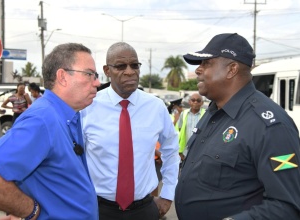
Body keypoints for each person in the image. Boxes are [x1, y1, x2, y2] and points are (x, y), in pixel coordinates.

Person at [175, 33, 300, 220]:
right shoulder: (212, 112)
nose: (198, 70)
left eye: (206, 63)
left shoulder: (271, 126)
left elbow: (288, 206)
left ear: (231, 69)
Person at [0, 43, 101, 219]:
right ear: (63, 77)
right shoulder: (42, 119)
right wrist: (29, 210)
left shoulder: (67, 114)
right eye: (89, 74)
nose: (97, 82)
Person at [81, 42, 180, 220]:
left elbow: (171, 150)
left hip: (145, 210)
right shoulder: (88, 107)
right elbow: (72, 157)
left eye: (134, 65)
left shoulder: (155, 107)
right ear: (107, 70)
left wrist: (167, 193)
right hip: (97, 209)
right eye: (121, 66)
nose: (129, 71)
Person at [176, 93, 206, 160]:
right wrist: (180, 151)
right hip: (185, 151)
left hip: (200, 151)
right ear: (189, 102)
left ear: (202, 103)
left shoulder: (206, 115)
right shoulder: (184, 114)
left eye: (198, 100)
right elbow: (179, 131)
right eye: (193, 100)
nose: (195, 102)